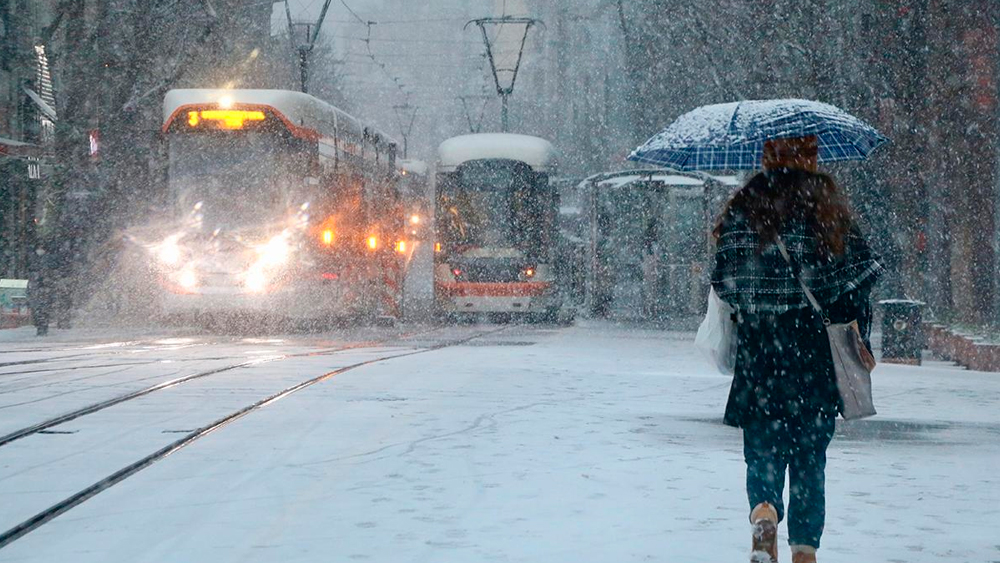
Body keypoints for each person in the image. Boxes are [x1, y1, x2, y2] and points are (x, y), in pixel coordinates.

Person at [710, 136, 884, 563]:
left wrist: (760, 303)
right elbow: (858, 283)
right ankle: (804, 546)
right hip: (814, 354)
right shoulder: (830, 212)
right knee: (809, 457)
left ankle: (764, 509)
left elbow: (724, 282)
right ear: (812, 159)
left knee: (763, 446)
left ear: (768, 158)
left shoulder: (743, 210)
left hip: (761, 353)